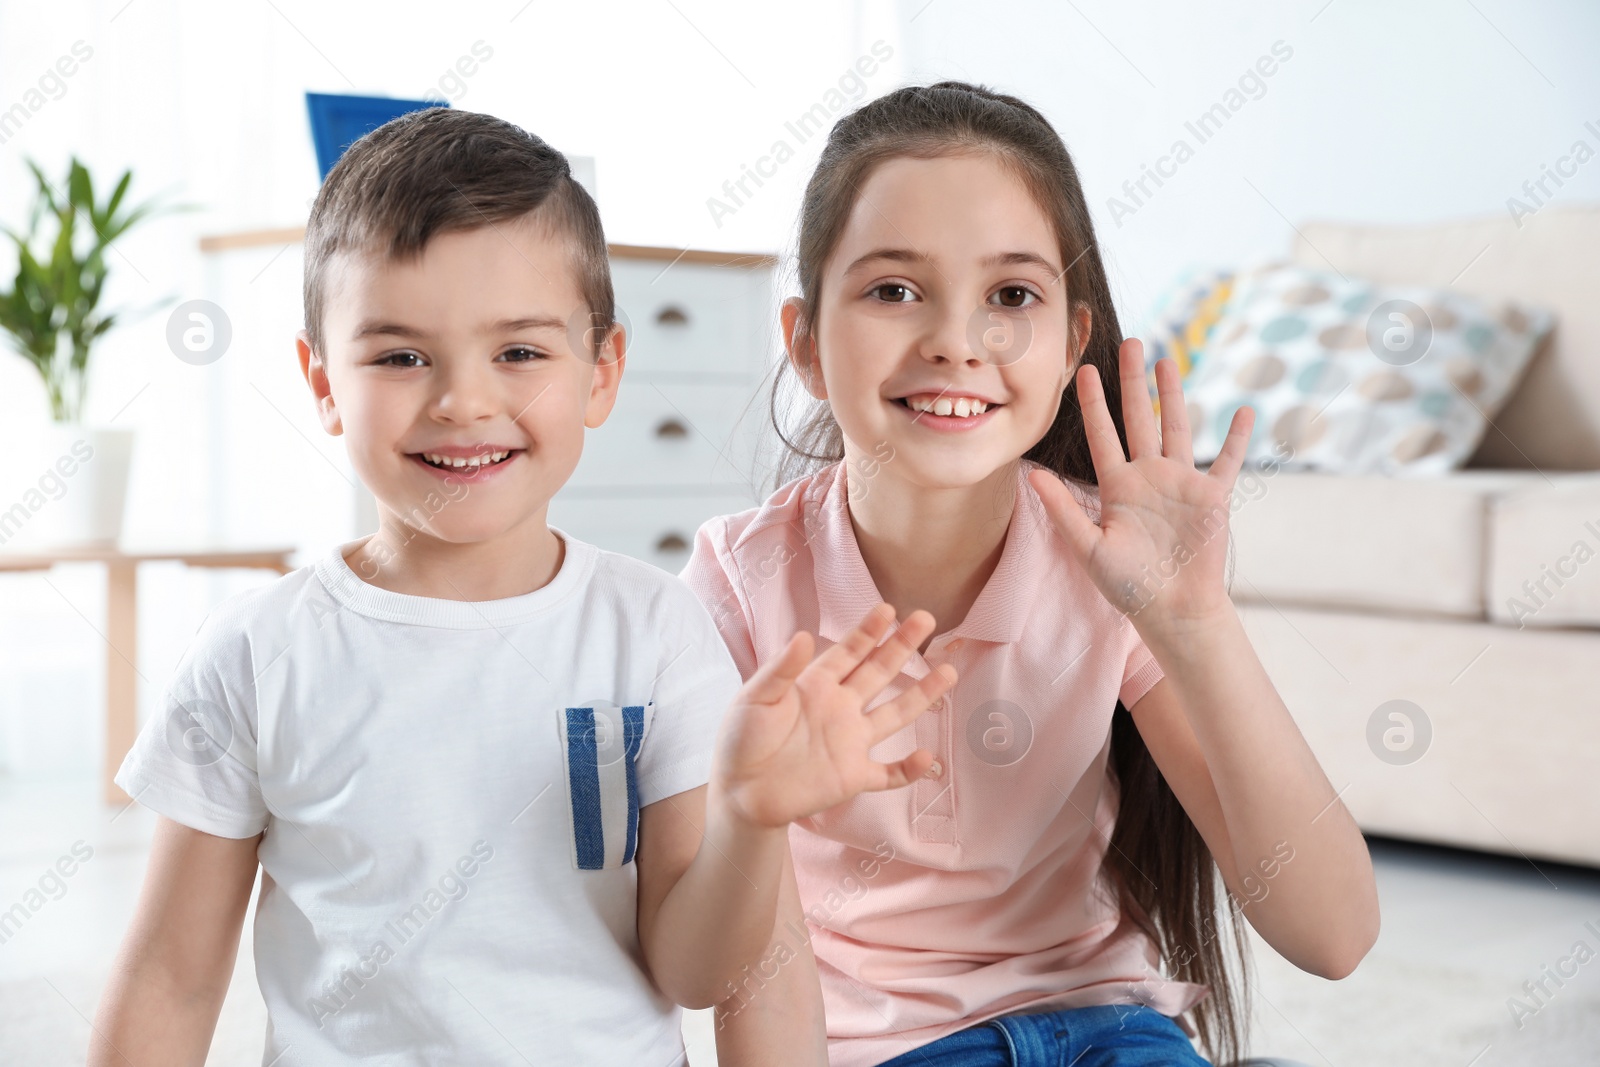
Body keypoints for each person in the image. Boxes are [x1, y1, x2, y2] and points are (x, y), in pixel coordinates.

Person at [89, 107, 952, 1066]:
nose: (464, 400)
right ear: (323, 380)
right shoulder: (255, 652)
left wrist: (751, 821)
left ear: (602, 372)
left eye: (520, 352)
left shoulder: (656, 631)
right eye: (400, 355)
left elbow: (697, 974)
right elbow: (169, 976)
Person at [682, 82, 1380, 1067]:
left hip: (1110, 1022)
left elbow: (1334, 935)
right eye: (892, 289)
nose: (956, 341)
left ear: (1067, 347)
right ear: (801, 339)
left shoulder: (1107, 560)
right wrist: (745, 810)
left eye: (1011, 295)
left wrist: (1197, 624)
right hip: (884, 1047)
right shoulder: (740, 578)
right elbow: (740, 964)